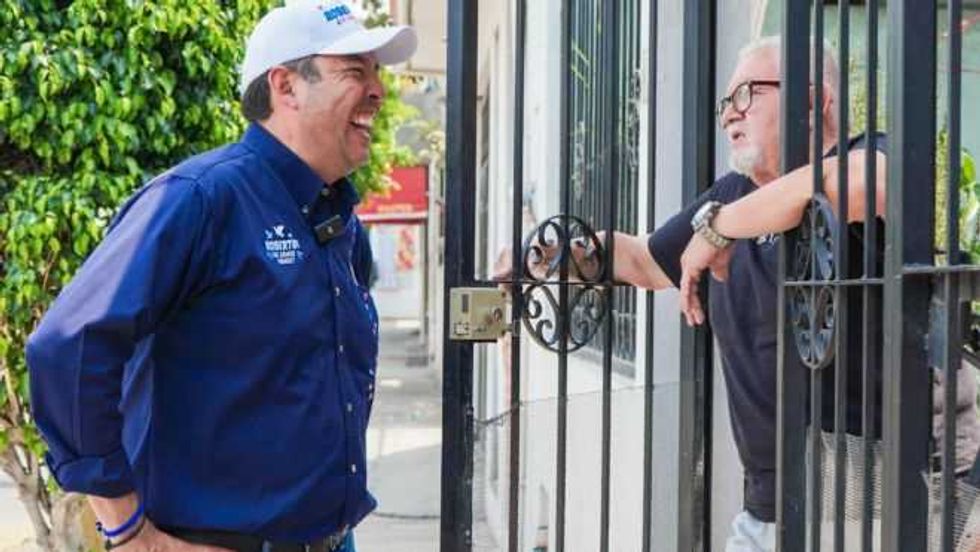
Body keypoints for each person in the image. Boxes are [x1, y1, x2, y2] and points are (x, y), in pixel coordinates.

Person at [520, 36, 978, 551]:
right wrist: (555, 255)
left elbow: (866, 185)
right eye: (725, 104)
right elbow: (644, 260)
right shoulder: (732, 193)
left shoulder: (866, 154)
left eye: (746, 95)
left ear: (814, 100)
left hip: (884, 495)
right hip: (773, 506)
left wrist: (721, 229)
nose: (728, 116)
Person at [25, 2, 416, 551]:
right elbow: (69, 346)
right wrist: (129, 530)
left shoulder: (338, 224)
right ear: (286, 86)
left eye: (376, 72)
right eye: (355, 71)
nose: (378, 90)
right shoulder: (201, 200)